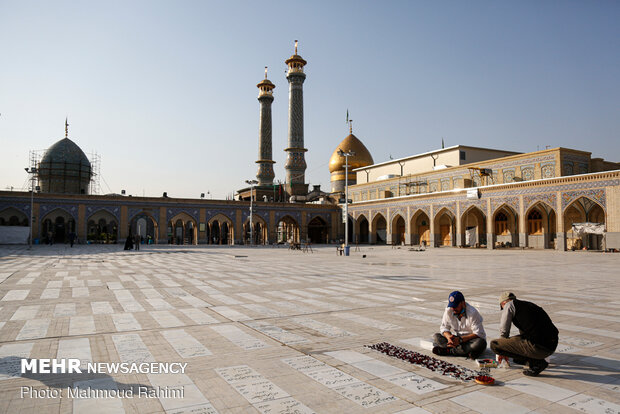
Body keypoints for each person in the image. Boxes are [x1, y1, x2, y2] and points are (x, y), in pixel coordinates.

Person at [491, 292, 558, 376]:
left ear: (503, 303)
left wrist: (502, 350)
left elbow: (504, 331)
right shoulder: (528, 305)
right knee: (517, 358)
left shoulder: (509, 305)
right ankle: (532, 359)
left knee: (494, 345)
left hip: (540, 348)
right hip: (551, 346)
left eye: (502, 307)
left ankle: (537, 362)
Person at [432, 291, 487, 358]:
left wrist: (460, 339)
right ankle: (465, 352)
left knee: (480, 343)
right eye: (452, 306)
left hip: (470, 340)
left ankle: (449, 351)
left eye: (456, 306)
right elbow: (444, 328)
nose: (453, 309)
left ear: (463, 303)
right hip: (457, 341)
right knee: (436, 337)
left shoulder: (473, 313)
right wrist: (449, 337)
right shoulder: (449, 311)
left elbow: (478, 334)